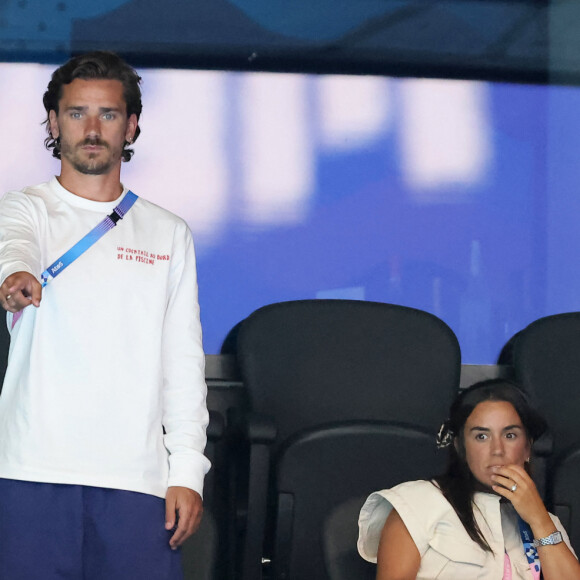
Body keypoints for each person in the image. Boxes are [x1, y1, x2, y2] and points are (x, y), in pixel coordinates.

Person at [0, 51, 210, 579]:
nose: (92, 129)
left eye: (109, 114)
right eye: (76, 113)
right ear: (53, 122)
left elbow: (182, 365)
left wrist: (187, 472)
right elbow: (13, 247)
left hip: (137, 481)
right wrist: (16, 277)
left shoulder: (168, 233)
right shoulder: (24, 209)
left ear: (131, 125)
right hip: (30, 471)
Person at [358, 378, 580, 579]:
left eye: (510, 435)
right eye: (481, 436)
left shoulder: (546, 522)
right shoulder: (416, 503)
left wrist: (539, 519)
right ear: (460, 447)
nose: (497, 450)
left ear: (527, 448)